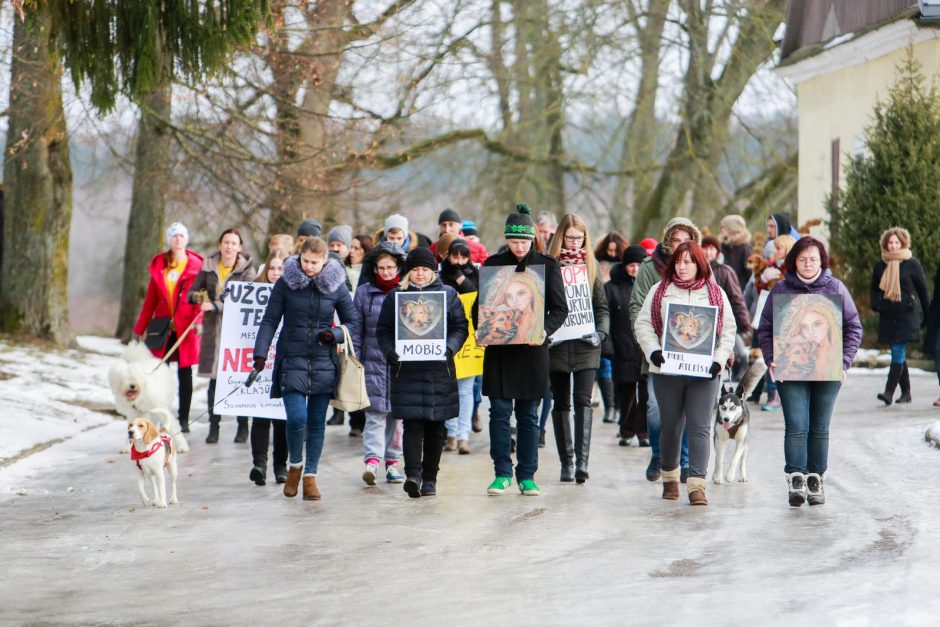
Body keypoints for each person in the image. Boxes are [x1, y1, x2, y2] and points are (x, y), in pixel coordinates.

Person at [758, 236, 862, 507]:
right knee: (796, 426)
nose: (807, 263)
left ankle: (815, 478)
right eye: (802, 259)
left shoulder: (835, 288)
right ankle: (795, 477)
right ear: (794, 261)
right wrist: (772, 358)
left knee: (819, 427)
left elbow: (853, 327)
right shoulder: (780, 290)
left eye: (812, 259)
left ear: (821, 261)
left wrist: (845, 361)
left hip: (828, 369)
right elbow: (766, 328)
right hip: (790, 369)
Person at [253, 236, 359, 501]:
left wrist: (334, 335)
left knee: (315, 423)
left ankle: (310, 476)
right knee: (297, 417)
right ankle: (295, 466)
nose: (309, 267)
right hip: (292, 359)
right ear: (299, 257)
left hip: (324, 363)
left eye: (314, 262)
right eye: (305, 261)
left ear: (325, 261)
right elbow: (269, 320)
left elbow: (353, 323)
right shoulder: (286, 283)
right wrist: (260, 354)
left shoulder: (336, 285)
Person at [474, 203, 568, 496]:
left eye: (524, 241)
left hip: (532, 351)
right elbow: (480, 306)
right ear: (506, 238)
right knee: (499, 413)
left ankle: (527, 474)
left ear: (533, 239)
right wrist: (479, 327)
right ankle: (501, 472)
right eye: (514, 241)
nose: (519, 247)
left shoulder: (548, 266)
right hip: (500, 352)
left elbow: (559, 309)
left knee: (528, 416)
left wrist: (544, 331)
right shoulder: (492, 265)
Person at [635, 241, 737, 506]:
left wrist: (719, 359)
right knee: (671, 425)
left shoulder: (715, 293)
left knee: (700, 426)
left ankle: (697, 485)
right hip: (667, 370)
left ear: (699, 264)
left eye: (689, 262)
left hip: (704, 372)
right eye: (679, 261)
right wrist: (653, 350)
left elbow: (728, 330)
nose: (683, 267)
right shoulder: (659, 291)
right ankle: (670, 479)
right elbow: (643, 323)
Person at [376, 247, 469, 498]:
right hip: (407, 370)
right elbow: (383, 331)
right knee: (412, 423)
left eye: (425, 269)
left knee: (436, 426)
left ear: (433, 271)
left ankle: (430, 478)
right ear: (408, 271)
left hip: (439, 369)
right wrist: (390, 352)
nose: (419, 274)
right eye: (415, 269)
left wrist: (449, 348)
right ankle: (413, 476)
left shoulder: (447, 294)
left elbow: (461, 327)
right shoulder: (396, 296)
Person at [629, 217, 701, 483]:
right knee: (656, 409)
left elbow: (713, 308)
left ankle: (682, 461)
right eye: (676, 240)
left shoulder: (702, 267)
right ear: (668, 241)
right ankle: (659, 454)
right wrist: (647, 343)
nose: (681, 245)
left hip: (691, 351)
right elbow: (637, 307)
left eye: (686, 240)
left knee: (686, 408)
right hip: (658, 352)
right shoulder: (650, 268)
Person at [546, 214, 610, 483]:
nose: (574, 243)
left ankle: (582, 463)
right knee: (560, 402)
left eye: (579, 237)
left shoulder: (590, 266)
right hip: (557, 346)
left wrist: (601, 332)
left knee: (583, 400)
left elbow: (602, 307)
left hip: (586, 345)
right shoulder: (548, 266)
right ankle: (567, 463)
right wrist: (546, 333)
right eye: (569, 237)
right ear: (560, 237)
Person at [187, 228, 257, 444]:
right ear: (219, 245)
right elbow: (191, 293)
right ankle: (213, 426)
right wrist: (201, 298)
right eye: (226, 242)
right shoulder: (208, 267)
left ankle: (242, 426)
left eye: (233, 243)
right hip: (213, 330)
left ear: (239, 247)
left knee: (237, 378)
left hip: (236, 330)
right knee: (215, 381)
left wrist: (215, 305)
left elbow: (245, 298)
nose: (229, 247)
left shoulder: (247, 270)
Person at [133, 222, 204, 434]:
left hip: (186, 327)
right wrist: (139, 328)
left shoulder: (196, 266)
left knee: (185, 374)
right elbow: (151, 300)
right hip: (162, 328)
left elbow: (201, 296)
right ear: (169, 240)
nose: (178, 239)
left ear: (186, 240)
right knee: (159, 373)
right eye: (174, 235)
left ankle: (183, 418)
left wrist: (198, 322)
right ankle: (161, 414)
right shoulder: (160, 266)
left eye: (181, 235)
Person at [349, 242, 407, 485]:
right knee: (374, 415)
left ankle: (393, 462)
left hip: (400, 364)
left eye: (390, 267)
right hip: (372, 363)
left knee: (397, 417)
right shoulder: (364, 292)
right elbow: (357, 330)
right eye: (381, 267)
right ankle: (372, 462)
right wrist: (356, 362)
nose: (385, 272)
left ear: (398, 268)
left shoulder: (407, 291)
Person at [871, 227, 929, 405]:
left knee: (897, 350)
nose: (893, 245)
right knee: (899, 353)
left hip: (907, 316)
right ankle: (907, 393)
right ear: (885, 244)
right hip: (888, 316)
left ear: (903, 243)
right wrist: (877, 304)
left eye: (897, 242)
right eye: (890, 242)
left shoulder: (912, 264)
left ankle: (889, 392)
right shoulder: (881, 265)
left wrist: (928, 316)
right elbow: (874, 288)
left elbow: (923, 290)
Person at [248, 250, 290, 486]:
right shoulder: (252, 292)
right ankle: (259, 464)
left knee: (281, 416)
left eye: (280, 269)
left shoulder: (291, 292)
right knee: (260, 415)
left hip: (282, 360)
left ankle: (280, 465)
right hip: (258, 360)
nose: (275, 274)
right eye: (272, 269)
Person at [439, 238, 480, 454]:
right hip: (447, 338)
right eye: (455, 255)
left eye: (463, 256)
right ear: (447, 256)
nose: (459, 260)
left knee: (466, 391)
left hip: (471, 339)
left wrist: (461, 278)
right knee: (449, 389)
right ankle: (451, 434)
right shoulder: (439, 276)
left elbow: (477, 296)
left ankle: (463, 436)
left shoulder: (475, 274)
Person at [605, 244, 648, 446]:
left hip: (645, 348)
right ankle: (626, 430)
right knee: (626, 393)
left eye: (638, 265)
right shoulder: (611, 288)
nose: (635, 269)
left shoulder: (649, 286)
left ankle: (643, 432)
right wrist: (609, 347)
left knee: (646, 393)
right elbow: (607, 318)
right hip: (622, 348)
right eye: (631, 265)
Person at [701, 235, 751, 382]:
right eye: (705, 248)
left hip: (724, 322)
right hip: (703, 323)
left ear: (717, 252)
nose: (708, 252)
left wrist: (744, 322)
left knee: (738, 353)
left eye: (712, 248)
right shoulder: (696, 271)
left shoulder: (725, 271)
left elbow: (737, 298)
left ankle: (738, 378)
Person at [754, 234, 796, 411]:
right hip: (771, 315)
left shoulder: (792, 269)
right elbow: (758, 289)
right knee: (771, 355)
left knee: (786, 356)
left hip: (789, 317)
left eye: (779, 248)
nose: (775, 252)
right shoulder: (771, 266)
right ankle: (772, 395)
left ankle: (786, 396)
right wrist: (762, 281)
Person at [593, 231, 627, 422]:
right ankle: (610, 407)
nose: (612, 254)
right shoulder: (597, 264)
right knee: (604, 362)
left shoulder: (626, 267)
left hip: (619, 316)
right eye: (609, 250)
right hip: (601, 313)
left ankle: (618, 406)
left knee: (619, 365)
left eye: (616, 250)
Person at [719, 215, 754, 291]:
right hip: (723, 291)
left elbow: (751, 275)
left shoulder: (745, 248)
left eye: (723, 227)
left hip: (740, 293)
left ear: (732, 229)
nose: (721, 229)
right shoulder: (722, 246)